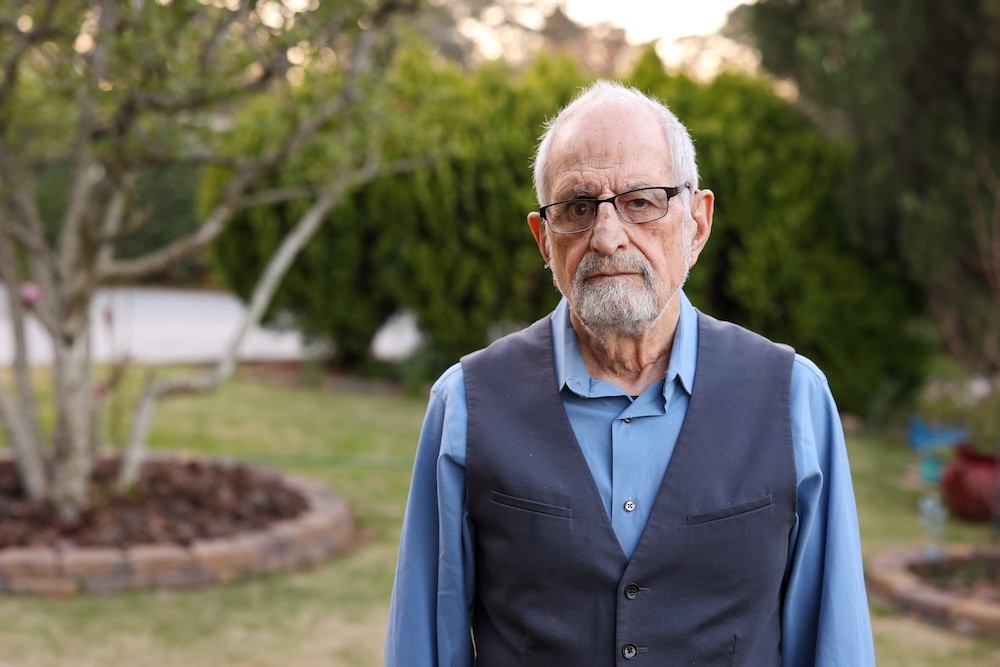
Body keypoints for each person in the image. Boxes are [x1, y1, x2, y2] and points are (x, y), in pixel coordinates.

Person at [385, 80, 875, 666]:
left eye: (641, 201)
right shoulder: (465, 403)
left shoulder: (794, 398)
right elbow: (424, 643)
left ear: (696, 223)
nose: (608, 236)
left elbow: (834, 642)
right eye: (577, 207)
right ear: (544, 239)